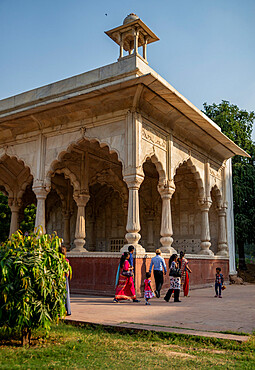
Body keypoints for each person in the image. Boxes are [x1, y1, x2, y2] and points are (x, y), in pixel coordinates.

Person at [59, 245, 71, 316]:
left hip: (60, 278)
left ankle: (61, 310)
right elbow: (68, 273)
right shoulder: (66, 261)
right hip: (65, 278)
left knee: (61, 294)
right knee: (66, 294)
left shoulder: (58, 261)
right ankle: (67, 310)